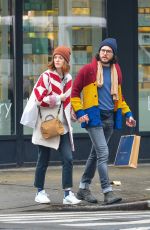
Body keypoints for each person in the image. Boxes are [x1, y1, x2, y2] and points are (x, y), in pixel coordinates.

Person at [71, 38, 136, 205]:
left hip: (109, 118)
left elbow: (119, 97)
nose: (105, 53)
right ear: (98, 52)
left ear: (113, 54)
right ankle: (107, 191)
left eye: (108, 51)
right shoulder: (88, 70)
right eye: (102, 50)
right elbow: (74, 93)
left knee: (95, 154)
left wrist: (128, 114)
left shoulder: (117, 71)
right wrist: (80, 112)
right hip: (94, 118)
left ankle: (83, 188)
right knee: (103, 153)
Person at [32, 46, 81, 205]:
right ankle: (40, 191)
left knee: (68, 158)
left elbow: (69, 101)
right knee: (43, 159)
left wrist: (73, 113)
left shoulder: (68, 78)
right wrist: (58, 98)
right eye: (55, 57)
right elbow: (38, 99)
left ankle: (67, 193)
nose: (57, 60)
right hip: (48, 123)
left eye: (61, 57)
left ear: (66, 61)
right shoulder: (46, 76)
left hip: (63, 125)